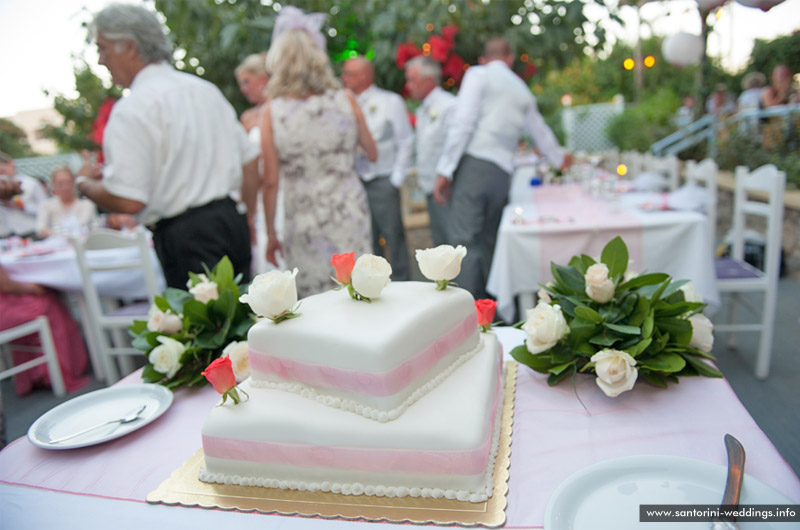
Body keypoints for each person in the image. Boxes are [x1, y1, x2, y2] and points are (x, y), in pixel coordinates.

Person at [76, 3, 260, 288]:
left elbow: (129, 200)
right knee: (246, 321)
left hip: (187, 235)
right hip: (229, 221)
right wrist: (248, 216)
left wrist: (85, 185)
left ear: (129, 47)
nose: (101, 60)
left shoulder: (133, 108)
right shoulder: (204, 90)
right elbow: (248, 161)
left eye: (103, 48)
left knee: (206, 329)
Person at [433, 38, 571, 299]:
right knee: (490, 243)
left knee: (465, 243)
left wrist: (445, 169)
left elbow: (463, 123)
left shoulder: (478, 74)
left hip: (475, 164)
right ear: (509, 59)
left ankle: (467, 315)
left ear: (484, 59)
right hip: (503, 174)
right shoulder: (521, 88)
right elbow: (540, 131)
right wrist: (559, 160)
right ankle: (494, 311)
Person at [260, 8, 377, 298]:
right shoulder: (347, 100)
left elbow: (271, 181)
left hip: (304, 219)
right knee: (359, 290)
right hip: (349, 210)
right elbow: (372, 152)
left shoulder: (272, 113)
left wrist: (271, 235)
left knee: (316, 301)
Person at [341, 57, 413, 281]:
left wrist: (396, 179)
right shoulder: (342, 103)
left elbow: (406, 140)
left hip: (383, 179)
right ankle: (374, 286)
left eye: (348, 74)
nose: (343, 78)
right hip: (355, 182)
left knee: (394, 237)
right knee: (365, 240)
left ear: (363, 76)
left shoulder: (389, 101)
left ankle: (404, 286)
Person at [235, 51, 280, 275]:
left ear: (263, 79)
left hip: (286, 191)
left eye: (246, 81)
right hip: (262, 198)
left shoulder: (283, 110)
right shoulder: (247, 118)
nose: (243, 89)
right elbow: (244, 165)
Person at [404, 56, 457, 247]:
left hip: (447, 187)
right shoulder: (423, 109)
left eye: (412, 80)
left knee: (452, 243)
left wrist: (446, 176)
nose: (408, 85)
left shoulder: (449, 105)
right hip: (429, 186)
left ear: (428, 80)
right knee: (440, 242)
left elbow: (455, 145)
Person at [36, 166, 98, 238]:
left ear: (74, 182)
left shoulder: (87, 205)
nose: (65, 187)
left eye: (69, 182)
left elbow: (95, 229)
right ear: (53, 184)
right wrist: (59, 236)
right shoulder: (46, 205)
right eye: (60, 183)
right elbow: (40, 229)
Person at [0, 151, 48, 239]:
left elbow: (45, 209)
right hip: (6, 236)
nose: (2, 176)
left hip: (31, 233)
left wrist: (23, 206)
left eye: (3, 171)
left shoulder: (31, 183)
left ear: (11, 164)